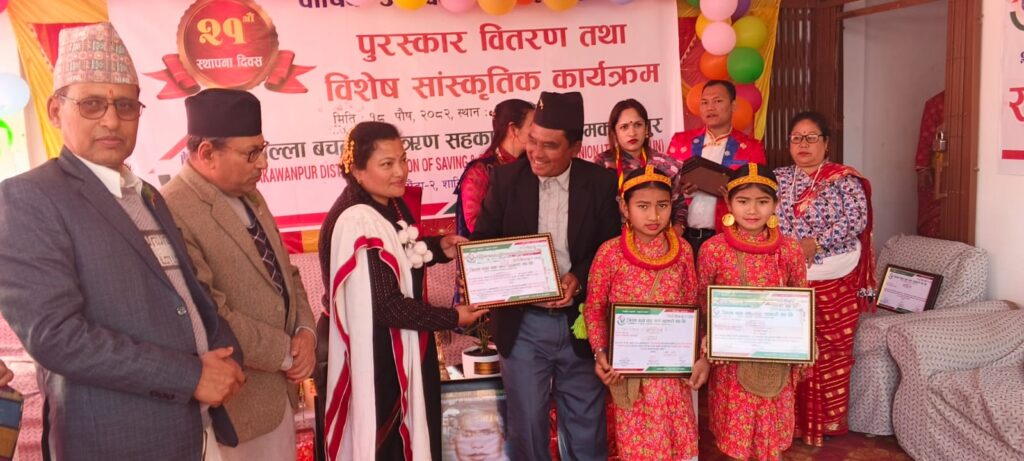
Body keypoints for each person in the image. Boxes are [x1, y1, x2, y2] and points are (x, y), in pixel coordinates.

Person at [0, 23, 244, 459]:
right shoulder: (29, 197)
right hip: (117, 439)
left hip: (193, 429)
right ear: (56, 110)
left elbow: (187, 292)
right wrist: (190, 376)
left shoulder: (146, 194)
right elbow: (56, 337)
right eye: (91, 104)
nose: (111, 120)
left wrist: (227, 355)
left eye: (125, 105)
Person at [162, 89, 316, 460]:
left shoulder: (251, 195)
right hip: (235, 407)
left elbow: (287, 272)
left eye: (263, 149)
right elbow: (209, 312)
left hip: (278, 395)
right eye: (251, 153)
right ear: (206, 154)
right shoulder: (173, 208)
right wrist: (287, 353)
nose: (263, 163)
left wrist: (307, 333)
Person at [318, 121, 487, 460]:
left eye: (403, 159)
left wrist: (438, 248)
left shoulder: (385, 203)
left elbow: (399, 254)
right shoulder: (357, 220)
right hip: (376, 359)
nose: (400, 171)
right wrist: (452, 317)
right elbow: (386, 306)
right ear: (357, 170)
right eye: (387, 164)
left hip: (397, 346)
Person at [471, 91, 621, 460]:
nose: (536, 153)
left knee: (586, 430)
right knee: (527, 429)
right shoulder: (506, 179)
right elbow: (483, 242)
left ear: (575, 148)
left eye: (550, 145)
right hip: (523, 324)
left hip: (581, 324)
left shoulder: (600, 182)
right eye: (532, 140)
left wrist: (578, 278)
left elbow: (609, 247)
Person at [584, 166, 709, 460]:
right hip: (629, 376)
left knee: (678, 446)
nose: (654, 216)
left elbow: (694, 306)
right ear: (624, 208)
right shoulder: (609, 253)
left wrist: (702, 357)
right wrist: (600, 352)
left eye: (662, 205)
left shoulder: (683, 251)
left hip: (673, 376)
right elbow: (595, 309)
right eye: (643, 206)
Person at [773, 111, 874, 447]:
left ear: (826, 143)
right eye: (796, 138)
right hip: (789, 276)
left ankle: (828, 421)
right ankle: (792, 422)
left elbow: (856, 220)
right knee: (790, 349)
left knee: (830, 351)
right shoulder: (778, 179)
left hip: (835, 274)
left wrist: (815, 243)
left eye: (811, 137)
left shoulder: (844, 180)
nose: (803, 144)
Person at [697, 163, 808, 461]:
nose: (752, 210)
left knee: (771, 435)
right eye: (743, 201)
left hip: (775, 357)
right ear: (729, 201)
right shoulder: (713, 249)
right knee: (736, 433)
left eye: (762, 201)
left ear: (775, 204)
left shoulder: (789, 249)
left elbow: (800, 300)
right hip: (730, 360)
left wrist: (805, 341)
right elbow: (702, 302)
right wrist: (707, 340)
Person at [667, 80, 766, 257]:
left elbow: (759, 195)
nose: (710, 107)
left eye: (718, 101)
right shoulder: (680, 141)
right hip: (682, 236)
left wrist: (734, 195)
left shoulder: (751, 147)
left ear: (733, 106)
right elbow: (664, 188)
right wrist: (680, 190)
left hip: (728, 238)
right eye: (704, 102)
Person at [595, 99, 686, 233]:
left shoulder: (667, 164)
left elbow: (679, 208)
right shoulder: (603, 163)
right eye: (624, 127)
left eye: (638, 125)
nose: (632, 133)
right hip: (615, 237)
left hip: (659, 237)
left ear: (647, 128)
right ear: (614, 133)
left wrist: (676, 233)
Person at [454, 99, 535, 236]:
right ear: (513, 129)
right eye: (533, 126)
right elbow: (476, 225)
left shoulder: (534, 165)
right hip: (496, 247)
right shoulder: (481, 171)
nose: (539, 132)